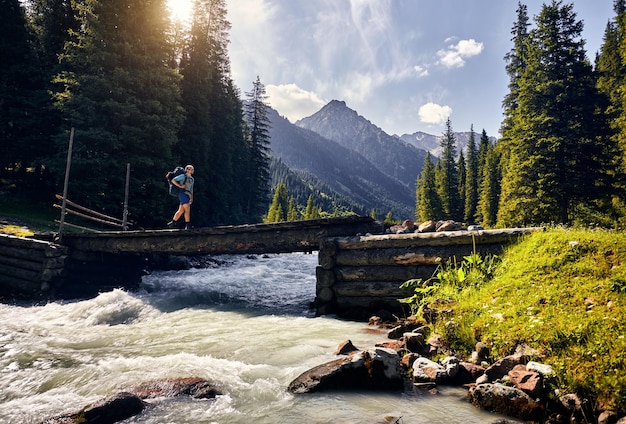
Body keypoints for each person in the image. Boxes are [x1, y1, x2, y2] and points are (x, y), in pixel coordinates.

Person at [167, 165, 195, 230]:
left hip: (187, 195)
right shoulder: (183, 176)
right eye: (191, 169)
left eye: (192, 169)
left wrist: (191, 197)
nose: (192, 170)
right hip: (182, 193)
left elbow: (191, 189)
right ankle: (188, 225)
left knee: (181, 210)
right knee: (187, 209)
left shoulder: (192, 179)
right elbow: (173, 180)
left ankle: (173, 223)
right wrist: (180, 186)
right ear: (187, 170)